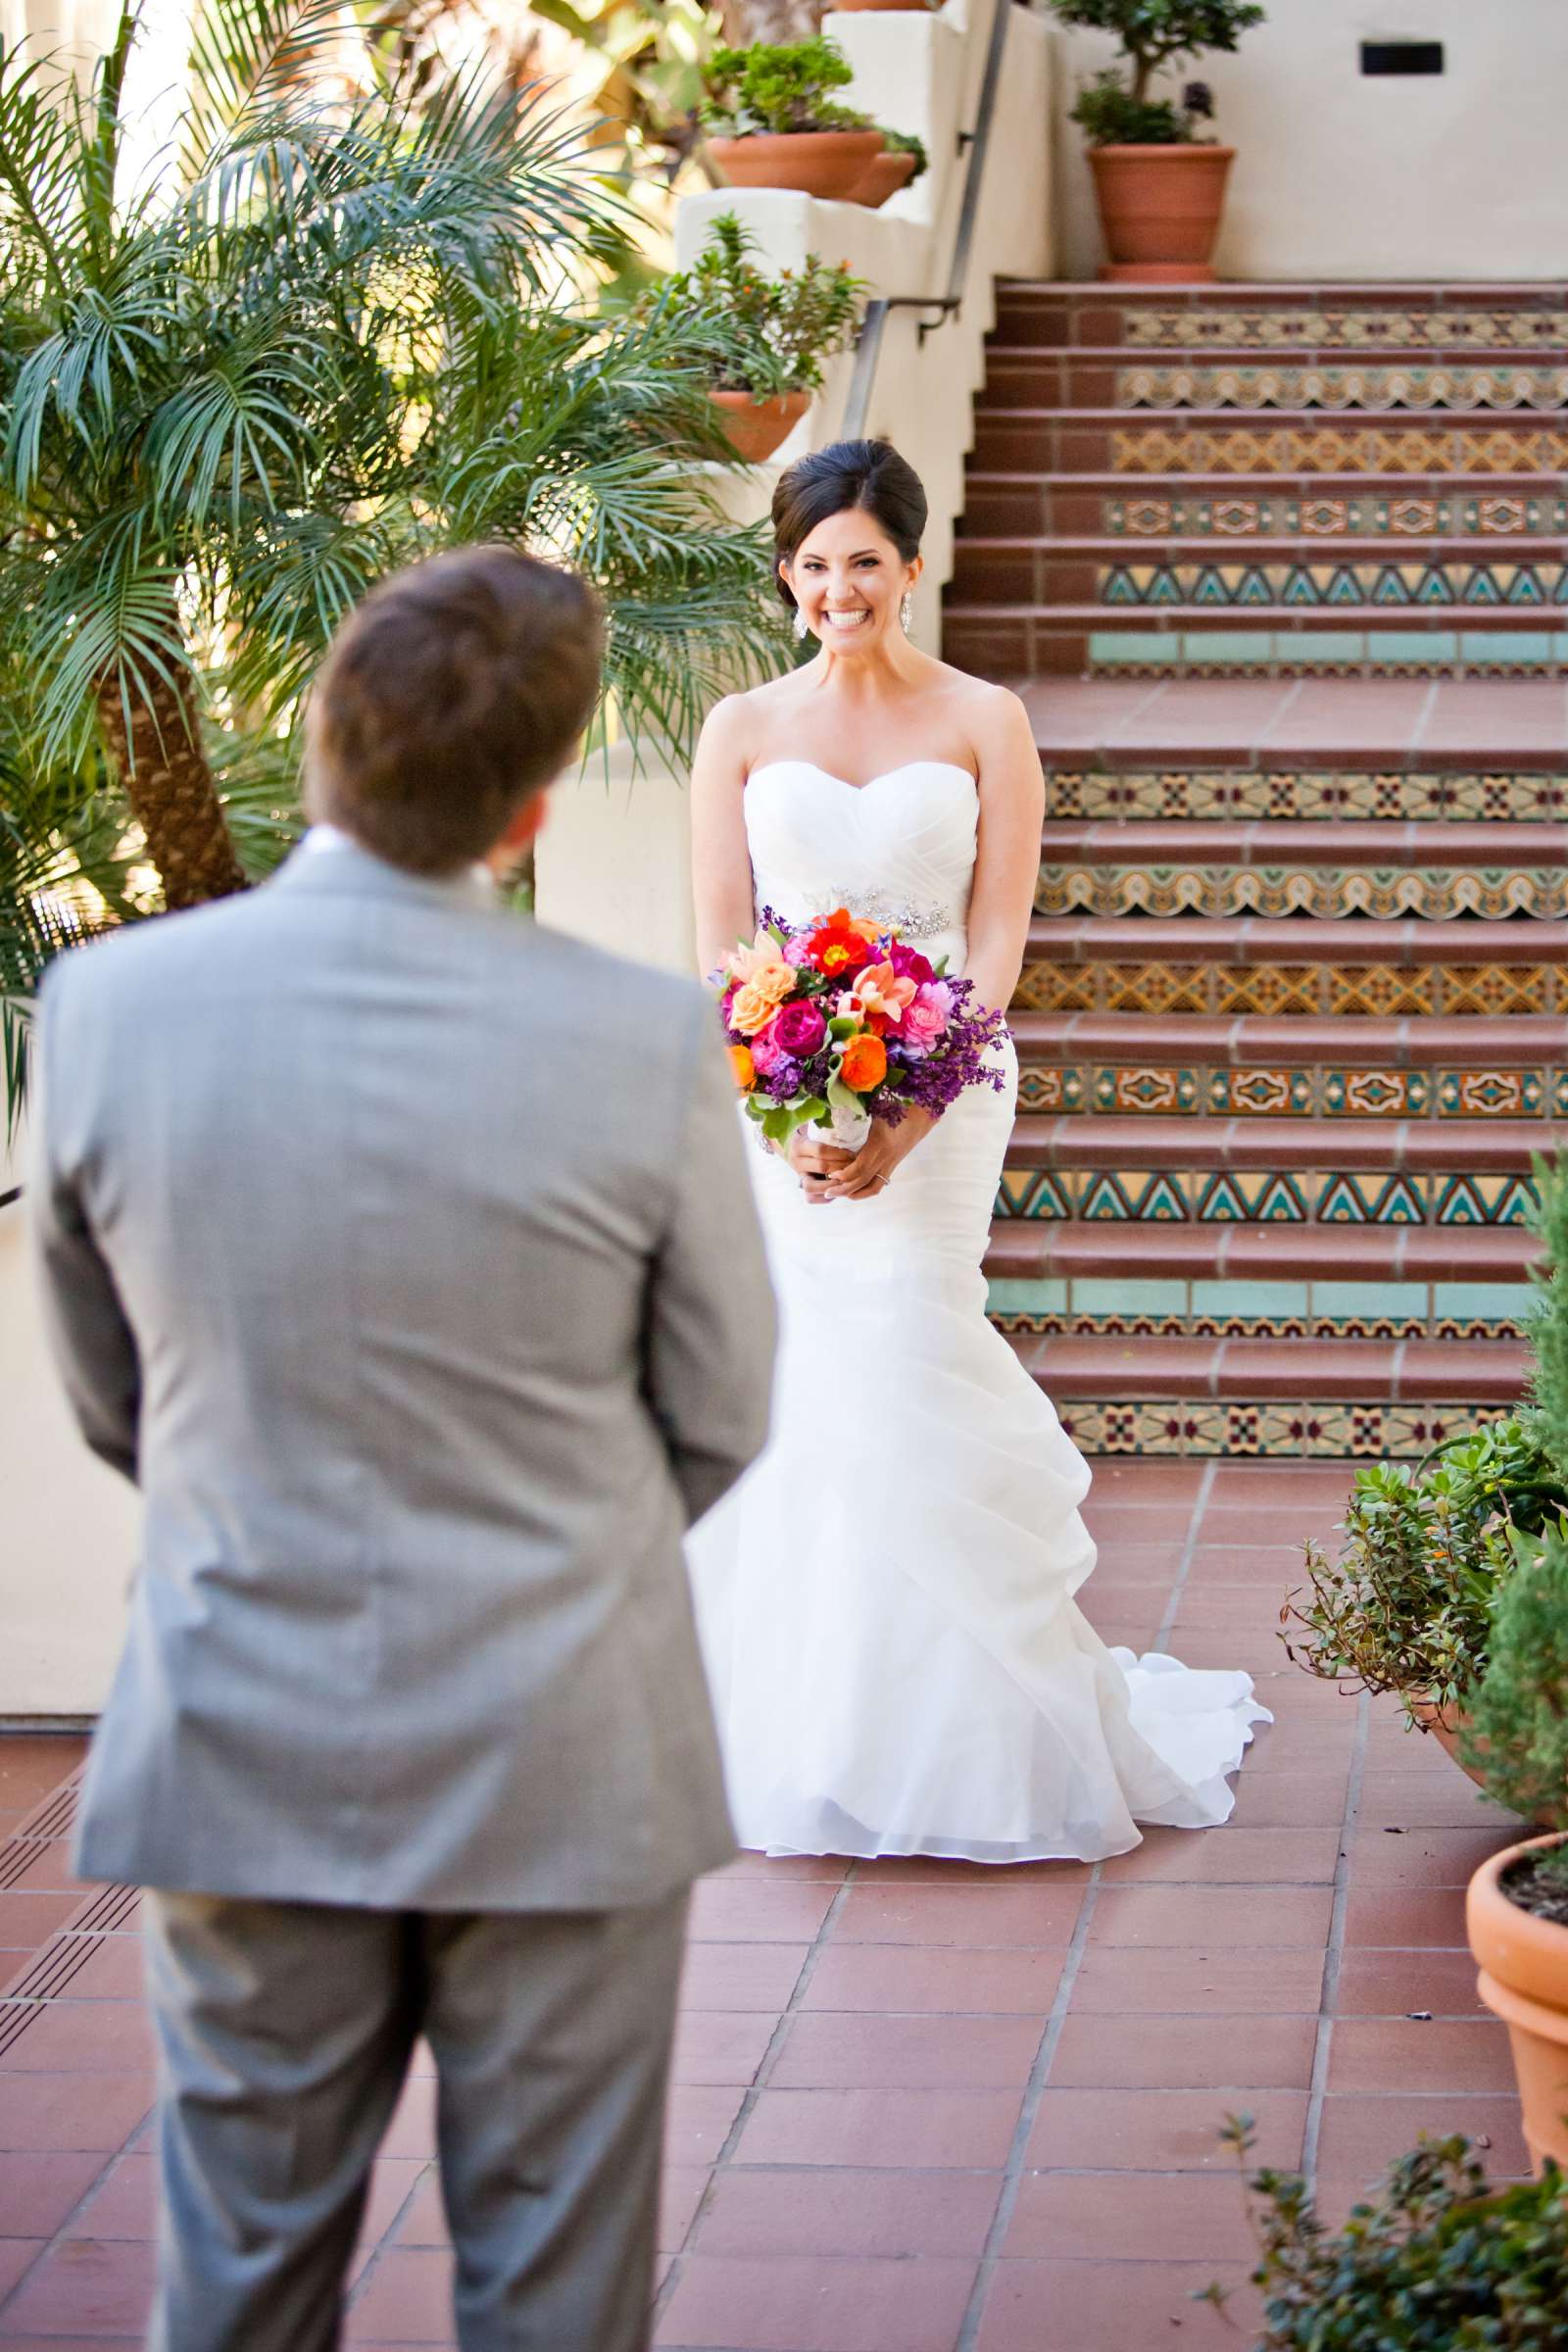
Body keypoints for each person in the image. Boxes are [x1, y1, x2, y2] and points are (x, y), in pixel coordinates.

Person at [30, 545, 776, 2352]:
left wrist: (263, 1493)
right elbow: (724, 1408)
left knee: (237, 2278)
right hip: (567, 1741)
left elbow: (112, 1393)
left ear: (317, 742)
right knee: (554, 2291)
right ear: (530, 813)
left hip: (241, 1716)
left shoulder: (109, 1010)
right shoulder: (644, 1040)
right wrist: (559, 1537)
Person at [686, 438, 1266, 1865]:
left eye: (865, 562)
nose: (839, 588)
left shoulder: (985, 718)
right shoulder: (741, 730)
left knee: (907, 1336)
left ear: (912, 567)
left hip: (952, 1079)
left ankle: (973, 1736)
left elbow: (997, 933)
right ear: (786, 573)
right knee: (813, 1371)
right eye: (814, 564)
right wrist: (787, 1073)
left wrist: (916, 1098)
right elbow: (719, 941)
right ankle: (814, 1729)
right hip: (782, 1084)